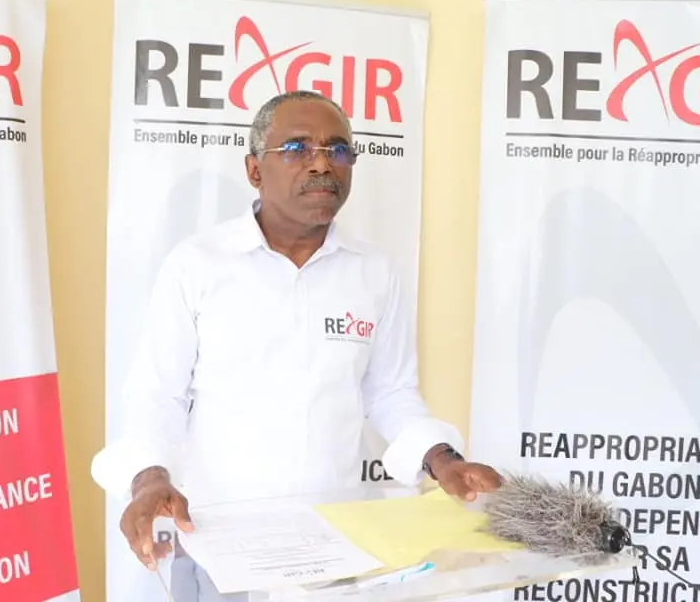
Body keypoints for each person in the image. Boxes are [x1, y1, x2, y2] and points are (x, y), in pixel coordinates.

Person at [90, 90, 502, 597]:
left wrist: (442, 458)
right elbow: (158, 394)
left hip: (334, 546)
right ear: (254, 170)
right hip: (221, 549)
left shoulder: (374, 272)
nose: (322, 164)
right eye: (297, 149)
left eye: (338, 150)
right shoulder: (198, 266)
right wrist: (149, 479)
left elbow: (390, 392)